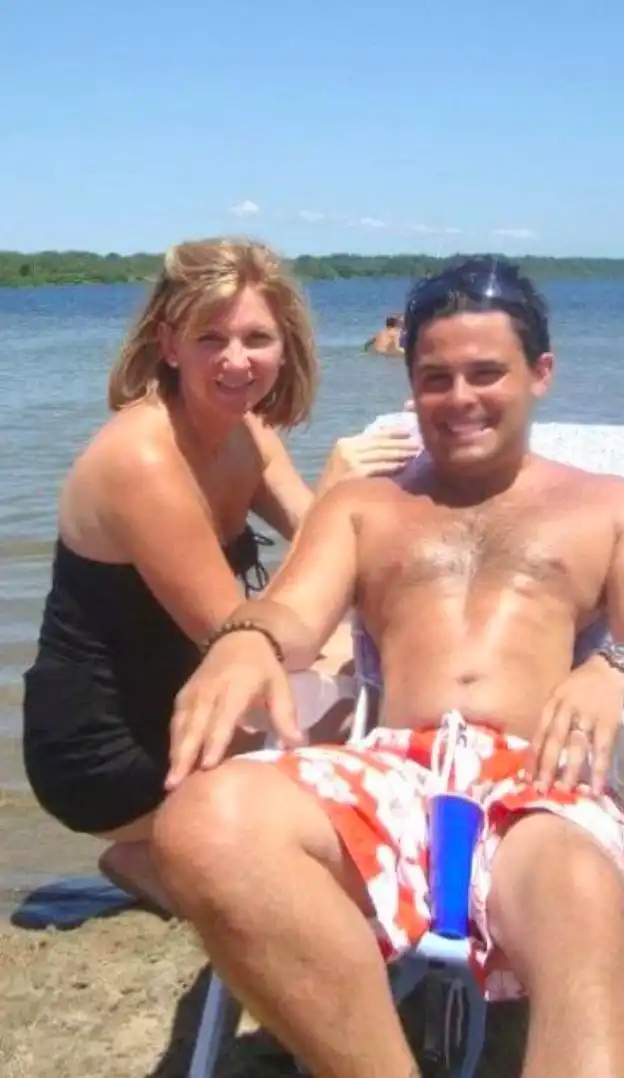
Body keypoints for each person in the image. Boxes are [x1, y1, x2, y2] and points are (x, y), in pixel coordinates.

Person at [152, 255, 624, 1078]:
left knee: (581, 897)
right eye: (435, 378)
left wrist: (613, 667)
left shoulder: (613, 506)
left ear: (541, 373)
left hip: (543, 786)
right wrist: (246, 639)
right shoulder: (365, 507)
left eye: (487, 373)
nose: (459, 397)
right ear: (411, 386)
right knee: (203, 823)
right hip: (391, 774)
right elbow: (292, 616)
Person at [22, 237, 421, 911]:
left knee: (373, 659)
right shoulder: (142, 461)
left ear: (285, 345)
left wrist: (426, 480)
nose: (237, 361)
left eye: (257, 338)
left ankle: (172, 854)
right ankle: (162, 851)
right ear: (170, 344)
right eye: (212, 338)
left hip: (187, 701)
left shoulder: (248, 431)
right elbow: (246, 641)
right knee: (361, 718)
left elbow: (333, 564)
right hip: (109, 752)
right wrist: (335, 491)